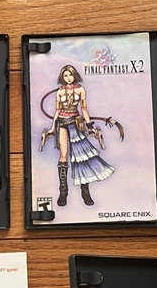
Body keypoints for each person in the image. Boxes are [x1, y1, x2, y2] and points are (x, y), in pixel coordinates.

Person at [46, 65, 115, 207]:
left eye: (70, 75)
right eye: (65, 75)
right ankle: (63, 192)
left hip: (76, 123)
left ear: (74, 75)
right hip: (62, 123)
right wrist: (53, 127)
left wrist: (89, 125)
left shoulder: (81, 89)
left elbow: (84, 109)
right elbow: (57, 110)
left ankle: (85, 191)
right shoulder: (59, 92)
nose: (68, 78)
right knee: (63, 155)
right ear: (62, 77)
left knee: (81, 156)